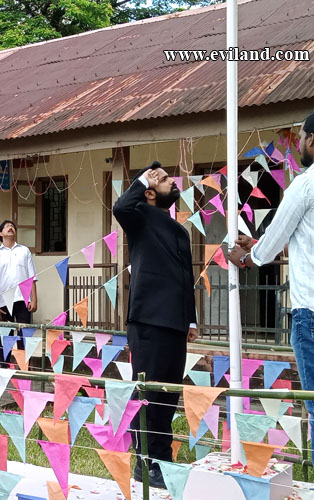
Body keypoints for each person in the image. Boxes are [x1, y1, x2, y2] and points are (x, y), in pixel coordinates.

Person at [227, 107, 314, 497]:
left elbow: (269, 247)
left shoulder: (306, 186)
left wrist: (248, 255)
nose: (300, 142)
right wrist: (260, 249)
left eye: (302, 136)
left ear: (313, 140)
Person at [113, 161, 197, 488]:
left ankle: (163, 458)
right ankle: (145, 460)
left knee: (168, 394)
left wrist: (190, 318)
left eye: (167, 177)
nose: (170, 181)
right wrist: (142, 178)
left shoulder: (179, 229)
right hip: (148, 318)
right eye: (161, 179)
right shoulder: (138, 217)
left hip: (176, 321)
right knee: (147, 391)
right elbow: (121, 205)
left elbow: (186, 277)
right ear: (148, 192)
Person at [0, 220, 37, 323]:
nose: (10, 227)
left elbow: (31, 277)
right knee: (5, 337)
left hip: (23, 299)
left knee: (24, 335)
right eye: (6, 226)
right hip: (3, 301)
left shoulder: (24, 251)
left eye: (12, 226)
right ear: (0, 233)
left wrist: (34, 300)